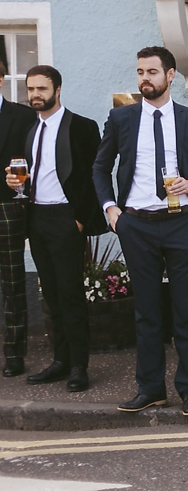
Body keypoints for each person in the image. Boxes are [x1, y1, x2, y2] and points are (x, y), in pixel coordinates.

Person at [93, 46, 188, 416]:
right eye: (139, 72)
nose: (144, 79)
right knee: (146, 312)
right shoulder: (121, 118)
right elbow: (100, 168)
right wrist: (111, 210)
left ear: (170, 76)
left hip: (182, 224)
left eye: (152, 72)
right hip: (137, 225)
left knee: (187, 312)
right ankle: (150, 388)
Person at [4, 65, 103, 391]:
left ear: (57, 90)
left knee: (71, 294)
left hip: (65, 218)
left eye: (41, 89)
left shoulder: (81, 127)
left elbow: (94, 177)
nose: (35, 95)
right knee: (52, 296)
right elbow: (33, 172)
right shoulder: (31, 128)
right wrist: (16, 183)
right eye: (31, 89)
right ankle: (60, 361)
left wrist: (79, 218)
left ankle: (78, 366)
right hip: (36, 219)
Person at [0, 59, 37, 378]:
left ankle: (14, 353)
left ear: (0, 79)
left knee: (12, 284)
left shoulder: (24, 116)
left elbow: (37, 161)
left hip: (6, 209)